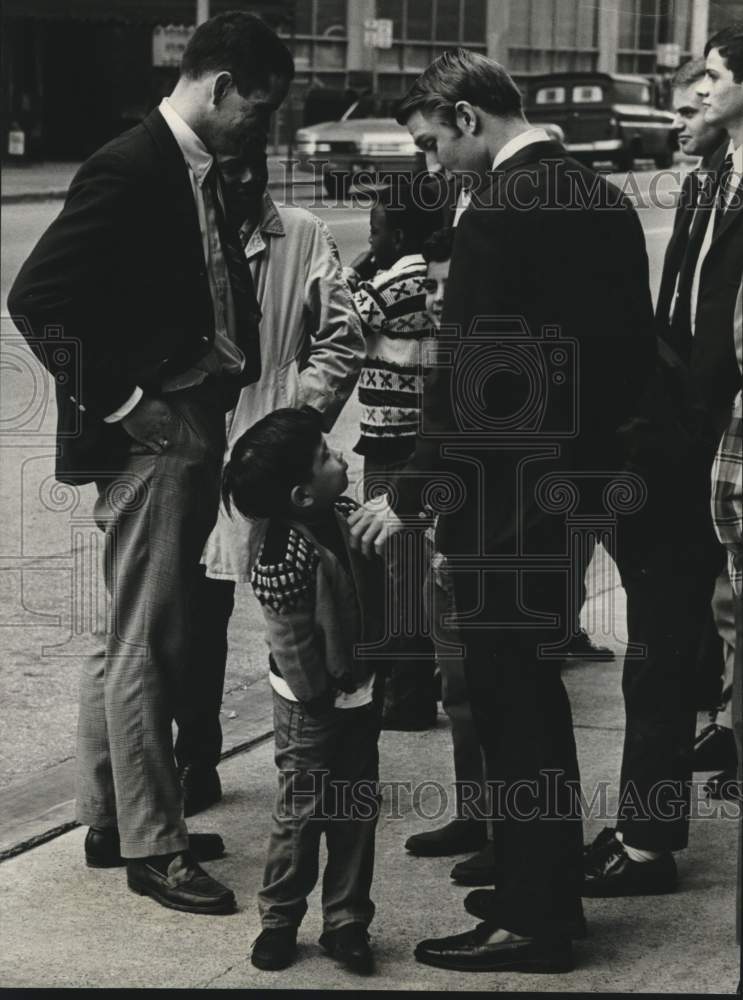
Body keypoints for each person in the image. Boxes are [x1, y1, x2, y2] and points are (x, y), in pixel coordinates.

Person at [349, 48, 656, 972]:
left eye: (432, 142)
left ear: (470, 119)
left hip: (504, 497)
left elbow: (477, 374)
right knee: (532, 688)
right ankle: (535, 876)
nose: (432, 164)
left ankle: (537, 916)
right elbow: (623, 352)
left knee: (511, 699)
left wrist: (415, 491)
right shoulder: (596, 195)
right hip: (572, 485)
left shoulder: (498, 212)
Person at [7, 12, 293, 915]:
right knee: (148, 642)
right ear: (217, 85)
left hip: (187, 421)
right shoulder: (132, 164)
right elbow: (38, 298)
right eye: (259, 105)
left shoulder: (192, 166)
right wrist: (129, 404)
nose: (263, 124)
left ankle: (110, 818)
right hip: (154, 435)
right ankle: (152, 848)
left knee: (125, 634)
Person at [173, 146, 365, 816]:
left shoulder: (303, 233)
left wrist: (292, 421)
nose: (248, 177)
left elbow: (342, 338)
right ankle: (196, 756)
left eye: (256, 162)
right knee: (197, 617)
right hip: (197, 450)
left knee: (303, 608)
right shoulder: (183, 237)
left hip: (277, 455)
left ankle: (323, 742)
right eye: (232, 167)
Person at [221, 407, 384, 974]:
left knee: (357, 809)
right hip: (309, 703)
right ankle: (280, 919)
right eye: (324, 456)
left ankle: (346, 921)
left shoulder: (343, 514)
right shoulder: (282, 553)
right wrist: (316, 696)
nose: (339, 456)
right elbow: (289, 639)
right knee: (302, 811)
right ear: (300, 494)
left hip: (359, 690)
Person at [403, 226, 491, 866]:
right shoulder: (440, 345)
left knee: (494, 689)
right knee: (457, 687)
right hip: (449, 536)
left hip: (485, 544)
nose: (436, 297)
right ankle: (475, 815)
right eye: (429, 284)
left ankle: (506, 833)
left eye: (447, 284)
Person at [352, 179, 443, 732]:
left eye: (377, 231)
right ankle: (399, 689)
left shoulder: (409, 280)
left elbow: (352, 307)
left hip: (402, 443)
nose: (370, 240)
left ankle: (407, 698)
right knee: (390, 568)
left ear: (402, 234)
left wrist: (359, 266)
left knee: (402, 571)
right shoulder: (401, 273)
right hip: (386, 437)